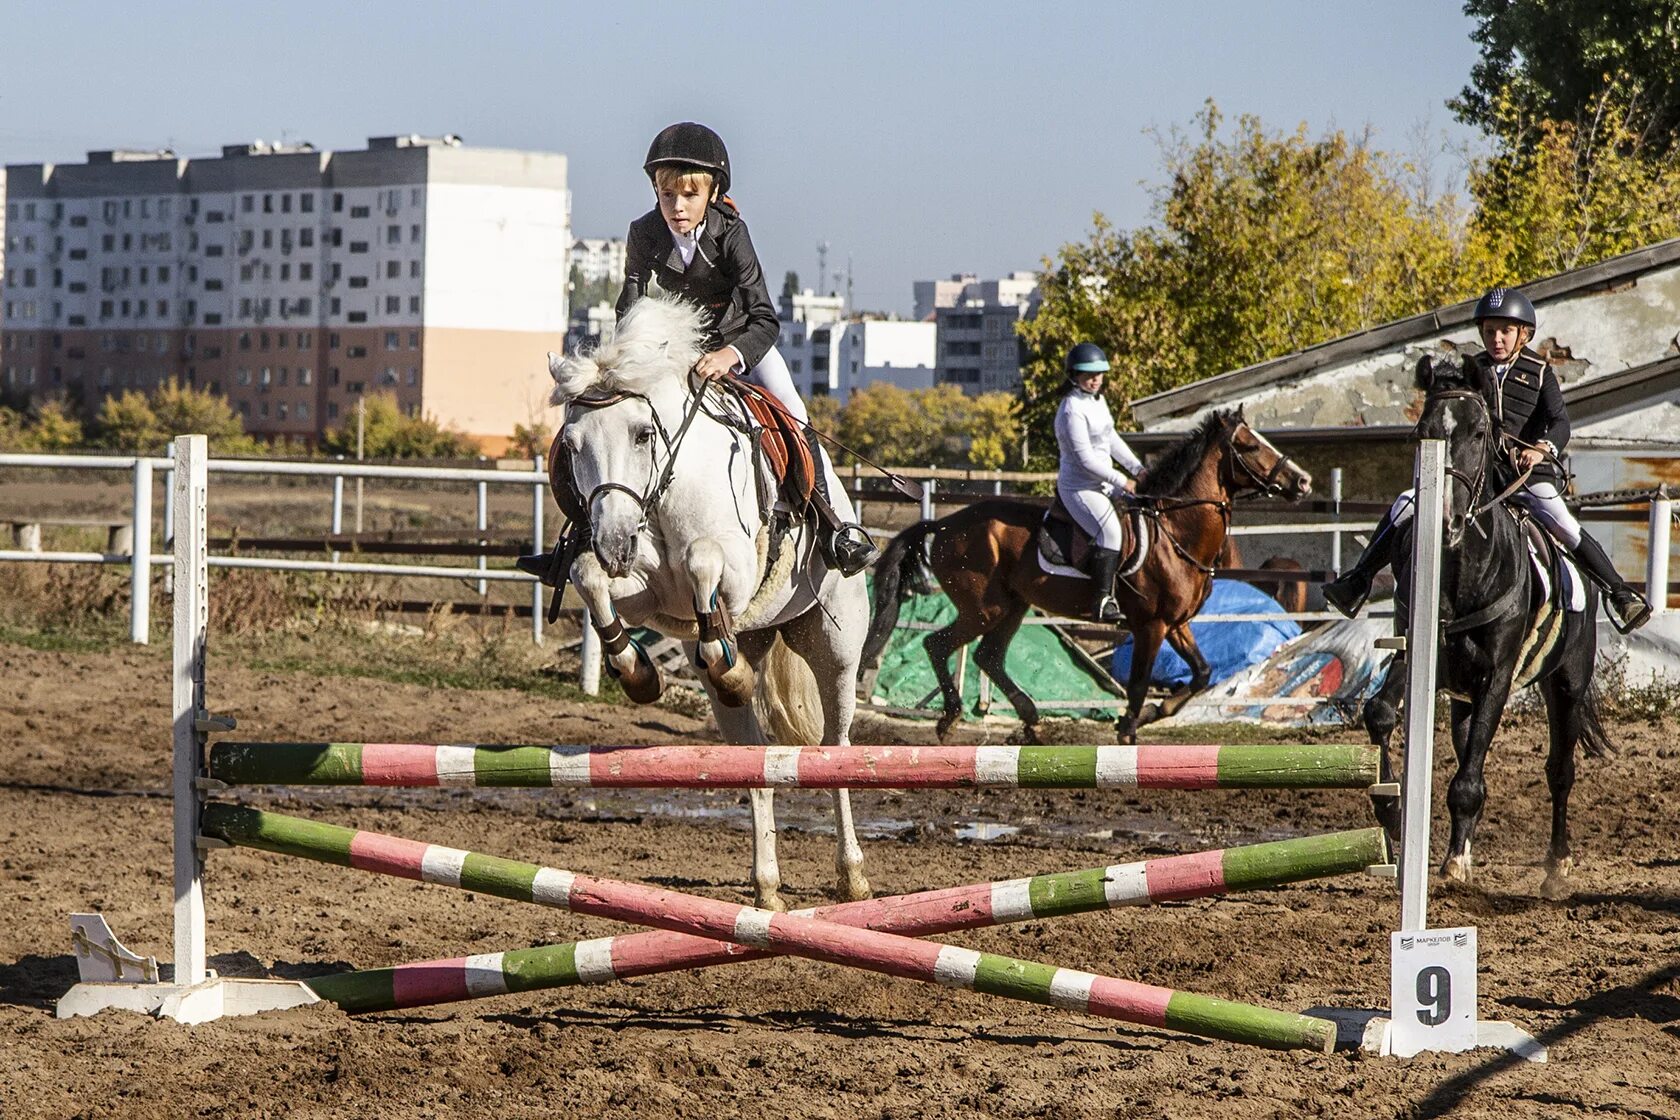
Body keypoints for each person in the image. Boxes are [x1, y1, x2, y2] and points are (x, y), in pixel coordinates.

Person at [520, 122, 877, 582]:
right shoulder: (644, 232)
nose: (677, 207)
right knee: (600, 423)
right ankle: (577, 539)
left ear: (711, 194)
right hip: (676, 350)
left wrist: (731, 356)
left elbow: (766, 318)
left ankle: (835, 526)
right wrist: (625, 359)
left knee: (794, 411)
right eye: (667, 195)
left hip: (742, 341)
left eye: (688, 196)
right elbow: (628, 305)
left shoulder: (732, 235)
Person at [1322, 285, 1652, 632]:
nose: (1497, 339)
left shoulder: (1539, 371)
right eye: (1490, 331)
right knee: (1406, 503)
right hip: (1477, 477)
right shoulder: (1471, 370)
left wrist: (1540, 449)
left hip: (1526, 476)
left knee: (1560, 520)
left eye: (1506, 331)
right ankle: (1358, 581)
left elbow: (1560, 423)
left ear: (1523, 334)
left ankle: (1619, 593)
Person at [1055, 342, 1144, 622]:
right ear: (1074, 375)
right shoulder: (1071, 409)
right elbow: (1085, 460)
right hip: (1079, 487)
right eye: (1088, 374)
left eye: (1099, 374)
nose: (1095, 380)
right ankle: (1102, 600)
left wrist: (1138, 469)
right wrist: (1123, 480)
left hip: (1104, 482)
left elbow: (1111, 439)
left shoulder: (1097, 402)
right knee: (1111, 534)